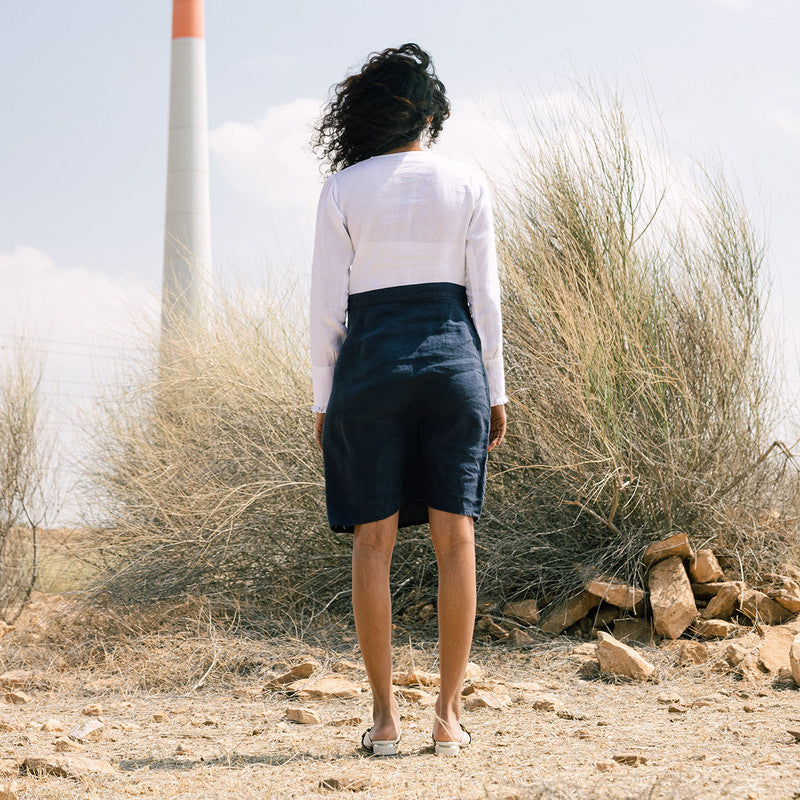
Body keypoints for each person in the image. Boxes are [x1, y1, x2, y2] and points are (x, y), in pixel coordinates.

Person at [309, 43, 507, 757]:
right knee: (458, 540)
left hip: (370, 370)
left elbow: (327, 311)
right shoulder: (467, 182)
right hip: (455, 364)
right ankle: (449, 721)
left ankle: (387, 722)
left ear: (366, 112)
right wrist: (497, 388)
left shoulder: (343, 188)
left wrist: (324, 401)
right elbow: (485, 299)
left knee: (373, 543)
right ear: (430, 114)